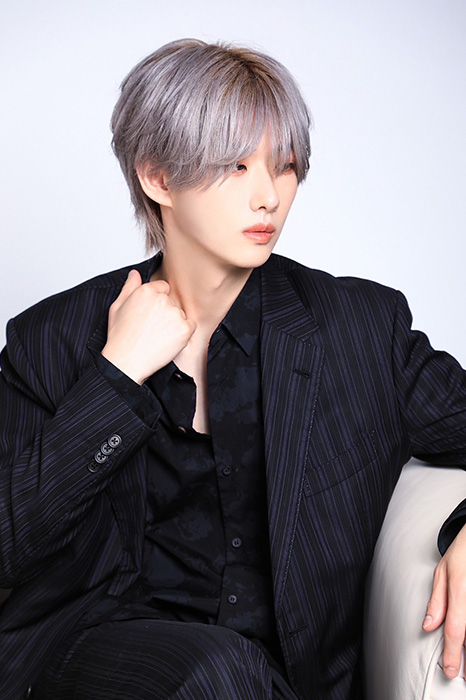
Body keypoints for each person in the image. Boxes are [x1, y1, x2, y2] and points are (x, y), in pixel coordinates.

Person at [0, 38, 465, 700]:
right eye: (235, 166)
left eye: (285, 165)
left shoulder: (359, 329)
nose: (268, 196)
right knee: (218, 669)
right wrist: (116, 377)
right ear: (157, 177)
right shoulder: (52, 338)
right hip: (93, 663)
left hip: (283, 681)